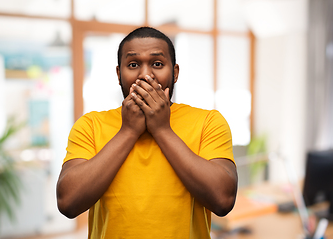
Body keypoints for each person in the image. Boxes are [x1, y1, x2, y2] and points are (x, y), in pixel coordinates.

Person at [56, 27, 237, 239]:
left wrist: (162, 129)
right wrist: (128, 132)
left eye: (157, 64)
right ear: (118, 74)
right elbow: (68, 203)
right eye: (133, 65)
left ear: (175, 73)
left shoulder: (208, 122)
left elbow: (223, 200)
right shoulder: (90, 125)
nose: (145, 75)